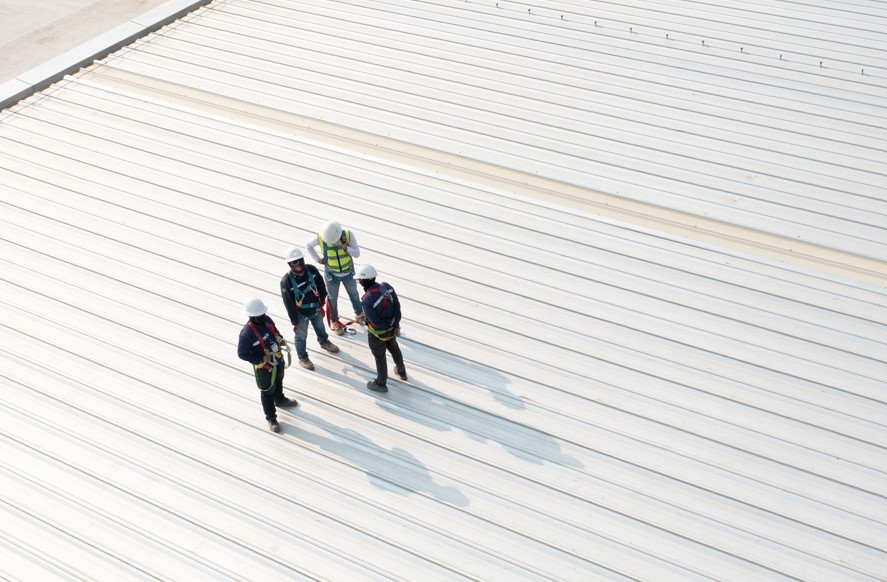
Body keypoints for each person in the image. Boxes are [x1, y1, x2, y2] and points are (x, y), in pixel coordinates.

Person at [236, 298, 298, 432]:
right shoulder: (246, 334)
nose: (263, 317)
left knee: (279, 379)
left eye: (263, 314)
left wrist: (281, 342)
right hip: (265, 367)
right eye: (260, 316)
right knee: (267, 391)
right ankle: (271, 418)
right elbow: (242, 354)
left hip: (277, 359)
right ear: (252, 317)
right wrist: (260, 359)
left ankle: (280, 399)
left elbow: (275, 332)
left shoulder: (267, 320)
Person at [280, 246, 340, 370]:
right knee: (301, 336)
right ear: (289, 264)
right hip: (300, 314)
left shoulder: (311, 270)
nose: (298, 264)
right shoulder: (286, 282)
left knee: (320, 326)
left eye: (299, 260)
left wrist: (322, 300)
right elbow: (288, 303)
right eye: (294, 262)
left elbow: (321, 285)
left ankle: (324, 341)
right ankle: (302, 357)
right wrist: (294, 320)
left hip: (316, 307)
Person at [305, 220, 365, 335]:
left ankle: (359, 313)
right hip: (331, 275)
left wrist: (346, 247)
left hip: (348, 272)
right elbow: (308, 245)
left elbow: (357, 254)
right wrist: (317, 259)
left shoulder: (347, 234)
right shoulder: (321, 237)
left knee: (353, 293)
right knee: (332, 298)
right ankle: (335, 320)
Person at [354, 264, 407, 392]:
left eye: (359, 280)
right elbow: (397, 307)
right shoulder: (386, 287)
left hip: (376, 335)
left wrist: (387, 324)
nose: (359, 282)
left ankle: (381, 383)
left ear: (363, 280)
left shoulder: (366, 300)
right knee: (394, 348)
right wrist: (395, 325)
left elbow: (376, 322)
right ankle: (401, 371)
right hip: (392, 331)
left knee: (380, 357)